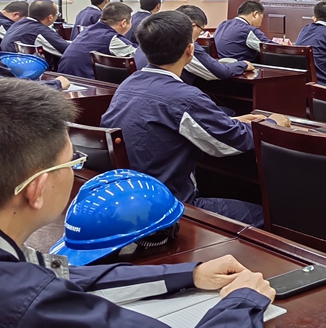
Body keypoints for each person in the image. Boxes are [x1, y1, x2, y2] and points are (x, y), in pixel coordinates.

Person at [0, 78, 276, 327]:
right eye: (73, 162)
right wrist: (245, 301)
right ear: (36, 189)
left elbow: (63, 275)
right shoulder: (29, 301)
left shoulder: (14, 263)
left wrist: (189, 275)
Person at [101, 11, 289, 226]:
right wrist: (271, 123)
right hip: (170, 208)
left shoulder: (128, 84)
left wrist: (235, 122)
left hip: (130, 200)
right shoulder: (185, 97)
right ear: (190, 50)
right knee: (270, 217)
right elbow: (230, 142)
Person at [134, 4, 253, 85]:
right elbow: (220, 72)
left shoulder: (150, 39)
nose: (199, 36)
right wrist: (243, 64)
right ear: (193, 26)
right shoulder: (183, 44)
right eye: (201, 31)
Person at [59, 3, 137, 79]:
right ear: (123, 23)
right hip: (83, 80)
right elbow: (139, 55)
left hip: (63, 76)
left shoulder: (88, 29)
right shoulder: (111, 38)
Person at [1, 0, 70, 63]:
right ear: (50, 17)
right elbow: (68, 50)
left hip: (9, 64)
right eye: (57, 14)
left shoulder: (19, 24)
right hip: (26, 68)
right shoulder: (40, 30)